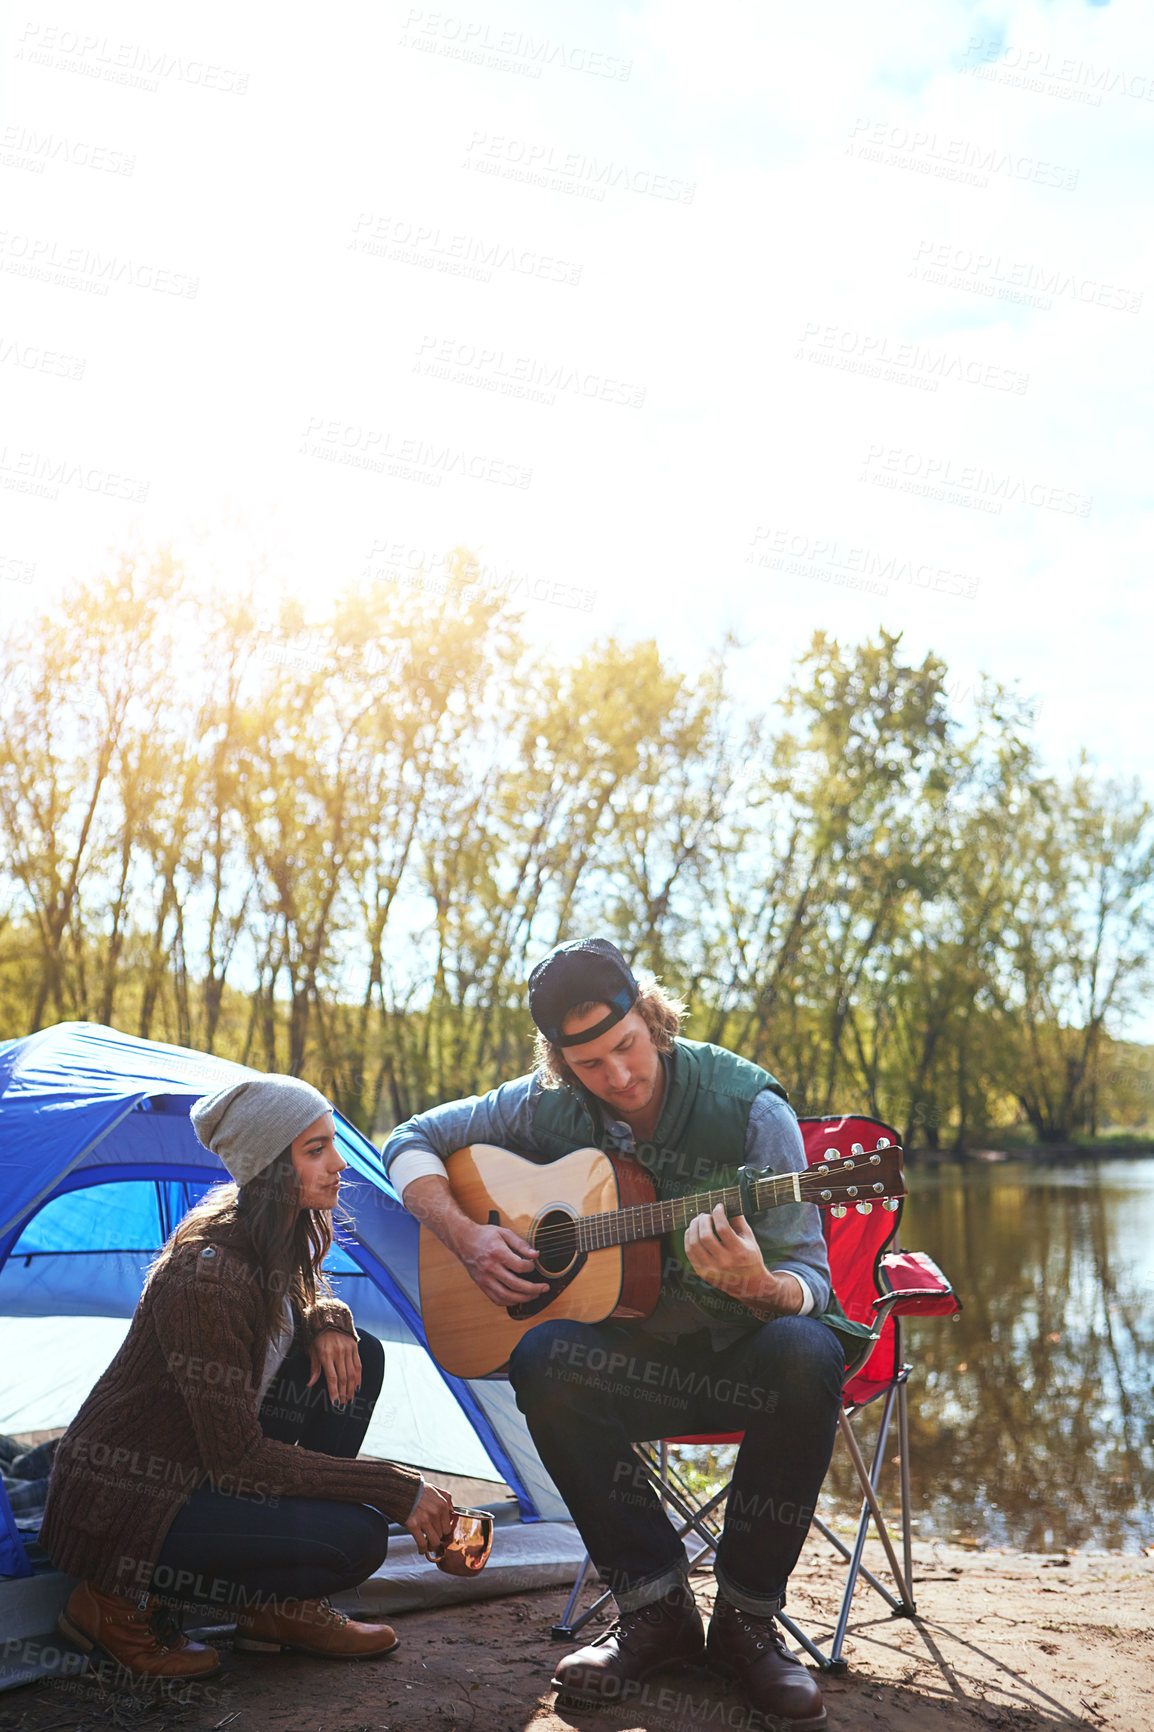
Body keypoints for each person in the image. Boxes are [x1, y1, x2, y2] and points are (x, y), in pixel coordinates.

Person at [383, 938, 866, 1728]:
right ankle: (654, 1607)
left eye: (627, 1048)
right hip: (627, 1369)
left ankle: (746, 1623)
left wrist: (759, 1284)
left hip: (735, 1359)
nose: (619, 1078)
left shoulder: (751, 1109)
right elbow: (408, 1140)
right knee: (540, 1354)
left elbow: (814, 1281)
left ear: (651, 1016)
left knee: (805, 1350)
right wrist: (467, 1237)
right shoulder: (543, 1104)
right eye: (590, 1065)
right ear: (560, 1062)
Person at [41, 1074, 455, 1682]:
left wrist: (327, 1317)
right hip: (133, 1498)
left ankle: (273, 1611)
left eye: (331, 1143)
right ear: (269, 1167)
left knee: (360, 1356)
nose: (339, 1163)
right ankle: (109, 1603)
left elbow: (293, 1297)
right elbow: (238, 1463)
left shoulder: (269, 1230)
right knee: (358, 1540)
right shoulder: (207, 1276)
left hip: (199, 1467)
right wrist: (395, 1487)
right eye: (315, 1150)